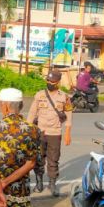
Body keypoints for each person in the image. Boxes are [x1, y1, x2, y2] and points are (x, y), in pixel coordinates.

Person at [27, 68, 72, 196]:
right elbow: (32, 113)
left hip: (55, 133)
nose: (49, 83)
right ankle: (39, 182)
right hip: (40, 131)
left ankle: (52, 184)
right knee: (39, 159)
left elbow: (69, 114)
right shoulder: (39, 95)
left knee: (53, 159)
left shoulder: (64, 97)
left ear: (57, 82)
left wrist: (68, 132)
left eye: (52, 82)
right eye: (48, 80)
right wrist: (28, 130)